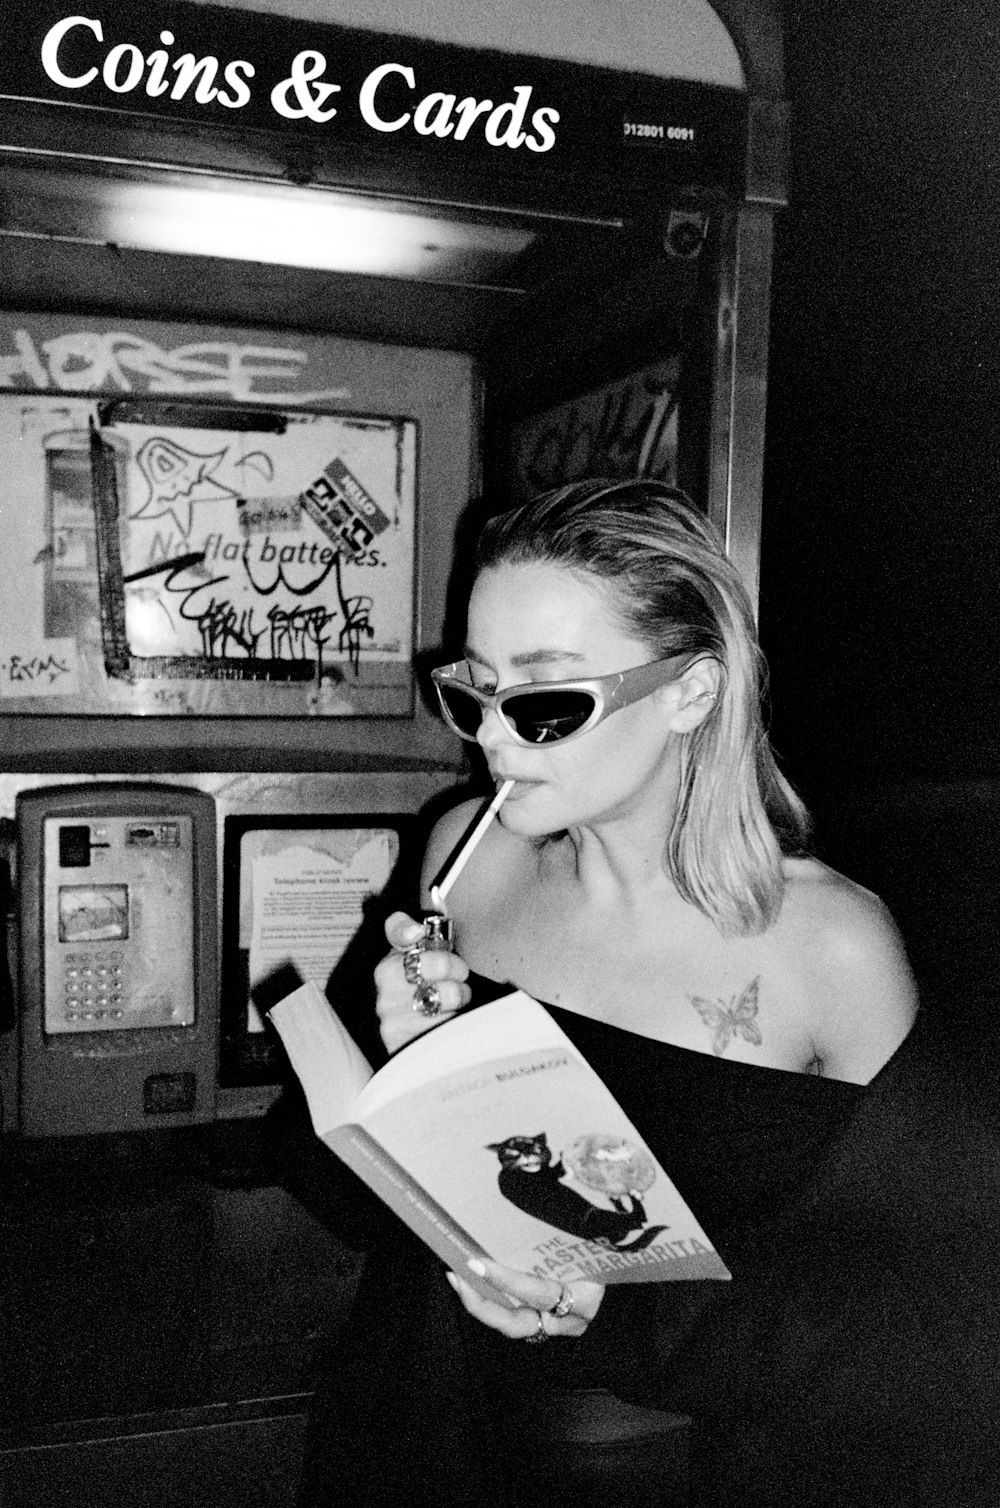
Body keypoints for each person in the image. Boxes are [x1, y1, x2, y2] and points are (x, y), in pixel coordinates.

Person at [295, 479, 999, 1508]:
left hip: (666, 1458)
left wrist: (614, 1308)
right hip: (426, 1406)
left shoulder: (826, 945)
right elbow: (414, 1185)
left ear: (689, 691)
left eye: (543, 699)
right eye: (473, 688)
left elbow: (930, 1300)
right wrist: (414, 1055)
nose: (491, 738)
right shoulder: (467, 855)